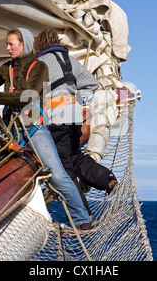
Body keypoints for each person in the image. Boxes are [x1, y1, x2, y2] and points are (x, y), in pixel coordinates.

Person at [0, 28, 93, 230]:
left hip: (33, 127)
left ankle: (82, 220)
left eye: (11, 44)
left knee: (58, 175)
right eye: (7, 44)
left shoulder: (39, 66)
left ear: (24, 44)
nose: (7, 48)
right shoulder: (7, 68)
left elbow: (29, 95)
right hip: (9, 129)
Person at [34, 27, 118, 209]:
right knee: (74, 156)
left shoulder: (39, 63)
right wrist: (74, 97)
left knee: (64, 167)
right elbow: (92, 83)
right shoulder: (70, 60)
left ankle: (84, 215)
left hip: (57, 118)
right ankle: (107, 179)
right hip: (74, 117)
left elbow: (32, 93)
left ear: (39, 44)